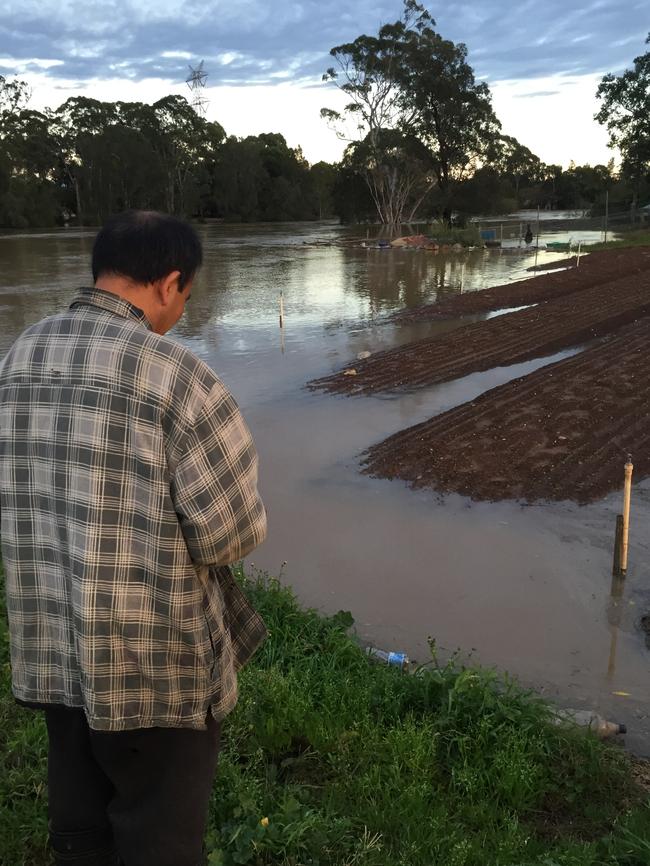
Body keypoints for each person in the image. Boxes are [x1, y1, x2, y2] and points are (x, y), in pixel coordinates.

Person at [0, 211, 268, 866]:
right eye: (187, 294)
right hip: (155, 672)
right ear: (170, 283)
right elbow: (227, 536)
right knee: (160, 840)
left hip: (55, 650)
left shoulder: (18, 356)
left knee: (81, 832)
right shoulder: (181, 377)